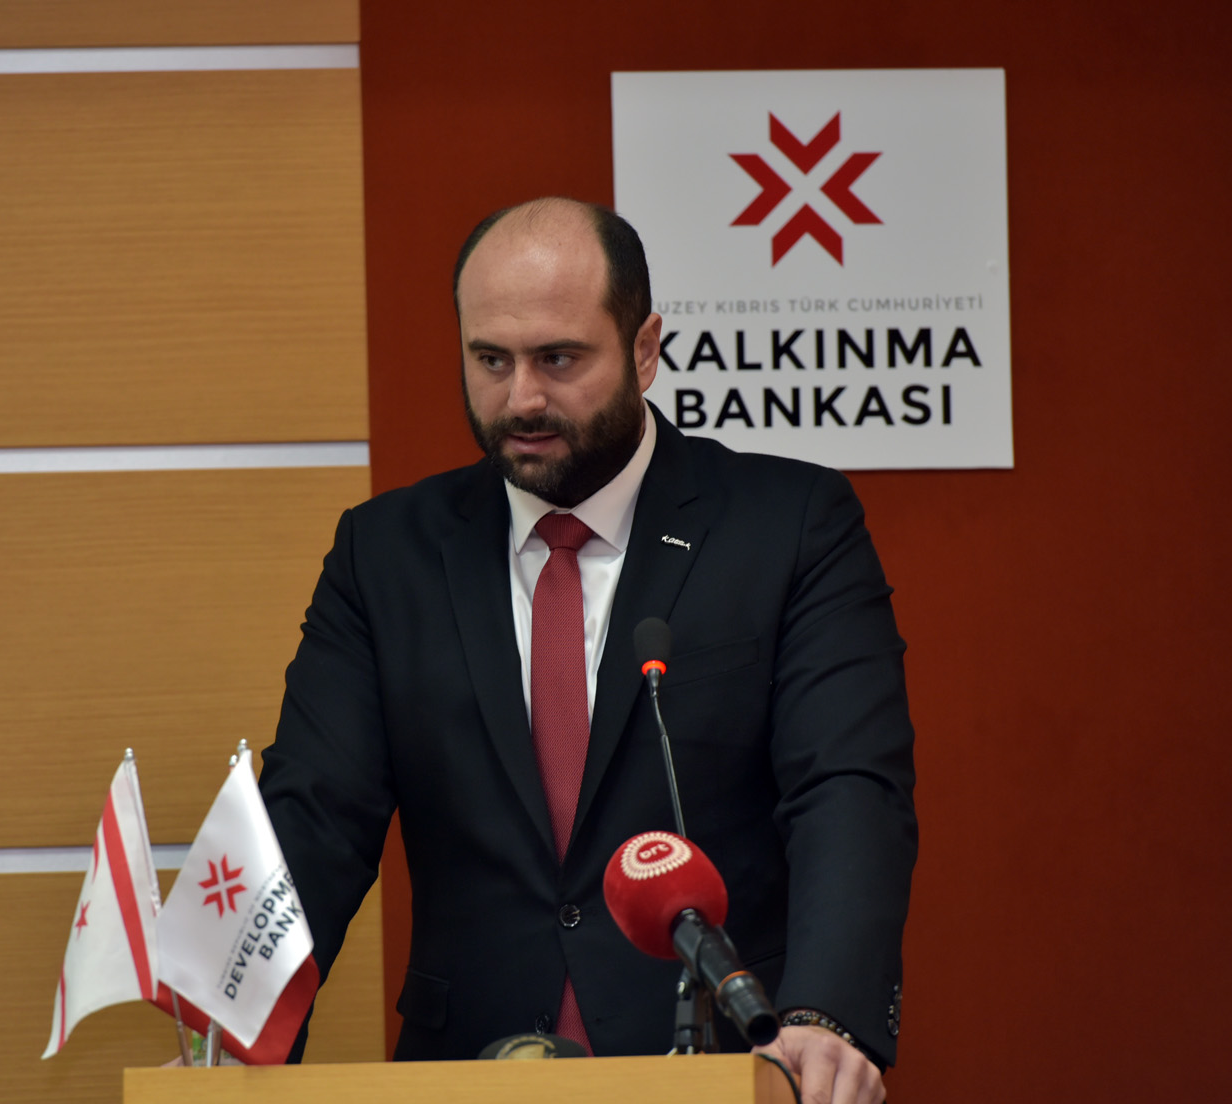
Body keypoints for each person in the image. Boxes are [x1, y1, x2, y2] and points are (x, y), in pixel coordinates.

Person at [258, 197, 916, 1104]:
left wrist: (825, 1015)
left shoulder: (790, 526)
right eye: (491, 360)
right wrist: (236, 1038)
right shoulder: (385, 555)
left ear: (644, 349)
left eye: (559, 359)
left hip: (722, 1066)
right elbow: (315, 816)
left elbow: (846, 788)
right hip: (471, 1071)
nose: (521, 399)